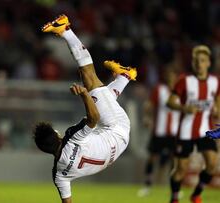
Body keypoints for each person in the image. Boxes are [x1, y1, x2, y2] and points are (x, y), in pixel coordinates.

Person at [33, 15, 137, 203]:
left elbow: (67, 202)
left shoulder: (58, 174)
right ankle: (65, 29)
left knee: (102, 98)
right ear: (57, 136)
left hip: (115, 151)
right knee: (88, 78)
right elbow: (94, 118)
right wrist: (83, 94)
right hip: (116, 129)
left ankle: (125, 76)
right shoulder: (71, 138)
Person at [166, 45, 219, 203]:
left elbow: (217, 101)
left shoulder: (215, 82)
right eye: (196, 61)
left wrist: (217, 111)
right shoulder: (184, 81)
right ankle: (174, 198)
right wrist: (184, 108)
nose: (199, 64)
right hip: (185, 131)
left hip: (205, 130)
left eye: (202, 61)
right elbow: (170, 102)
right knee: (181, 169)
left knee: (212, 164)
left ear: (208, 63)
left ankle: (196, 194)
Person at [137, 68, 180, 197]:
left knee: (176, 160)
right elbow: (149, 105)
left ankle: (175, 188)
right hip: (159, 131)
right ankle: (147, 186)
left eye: (173, 76)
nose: (171, 79)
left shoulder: (181, 92)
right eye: (169, 76)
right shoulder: (159, 90)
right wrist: (147, 118)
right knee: (152, 158)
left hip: (175, 132)